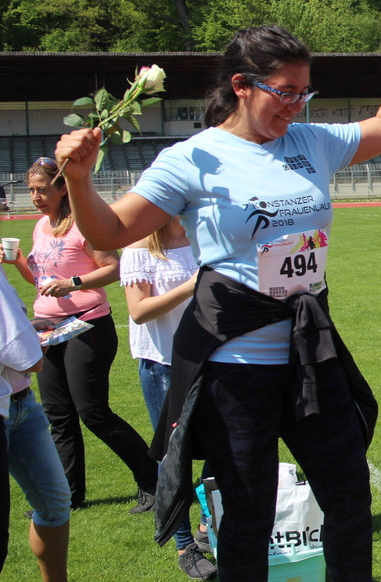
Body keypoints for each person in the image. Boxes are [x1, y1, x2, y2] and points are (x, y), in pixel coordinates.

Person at [52, 0, 381, 582]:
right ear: (241, 86)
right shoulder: (193, 158)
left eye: (303, 92)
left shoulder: (309, 141)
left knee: (347, 496)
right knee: (249, 513)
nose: (296, 105)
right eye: (284, 92)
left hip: (310, 351)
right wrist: (80, 180)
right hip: (236, 366)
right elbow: (110, 230)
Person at [6, 157, 157, 513]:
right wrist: (17, 265)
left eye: (43, 190)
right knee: (58, 415)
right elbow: (43, 283)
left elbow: (113, 268)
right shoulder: (42, 226)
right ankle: (71, 493)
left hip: (86, 325)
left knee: (92, 411)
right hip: (47, 329)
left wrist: (74, 283)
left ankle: (151, 478)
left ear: (62, 188)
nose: (36, 197)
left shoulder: (85, 226)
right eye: (31, 190)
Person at [120, 216, 215, 580]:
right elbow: (139, 311)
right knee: (173, 459)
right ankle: (184, 545)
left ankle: (207, 527)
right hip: (164, 365)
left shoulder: (202, 233)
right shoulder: (139, 247)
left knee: (223, 446)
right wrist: (191, 285)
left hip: (210, 357)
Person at [0, 268, 49, 575]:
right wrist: (30, 342)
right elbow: (28, 358)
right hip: (7, 404)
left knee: (54, 503)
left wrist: (25, 328)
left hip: (21, 402)